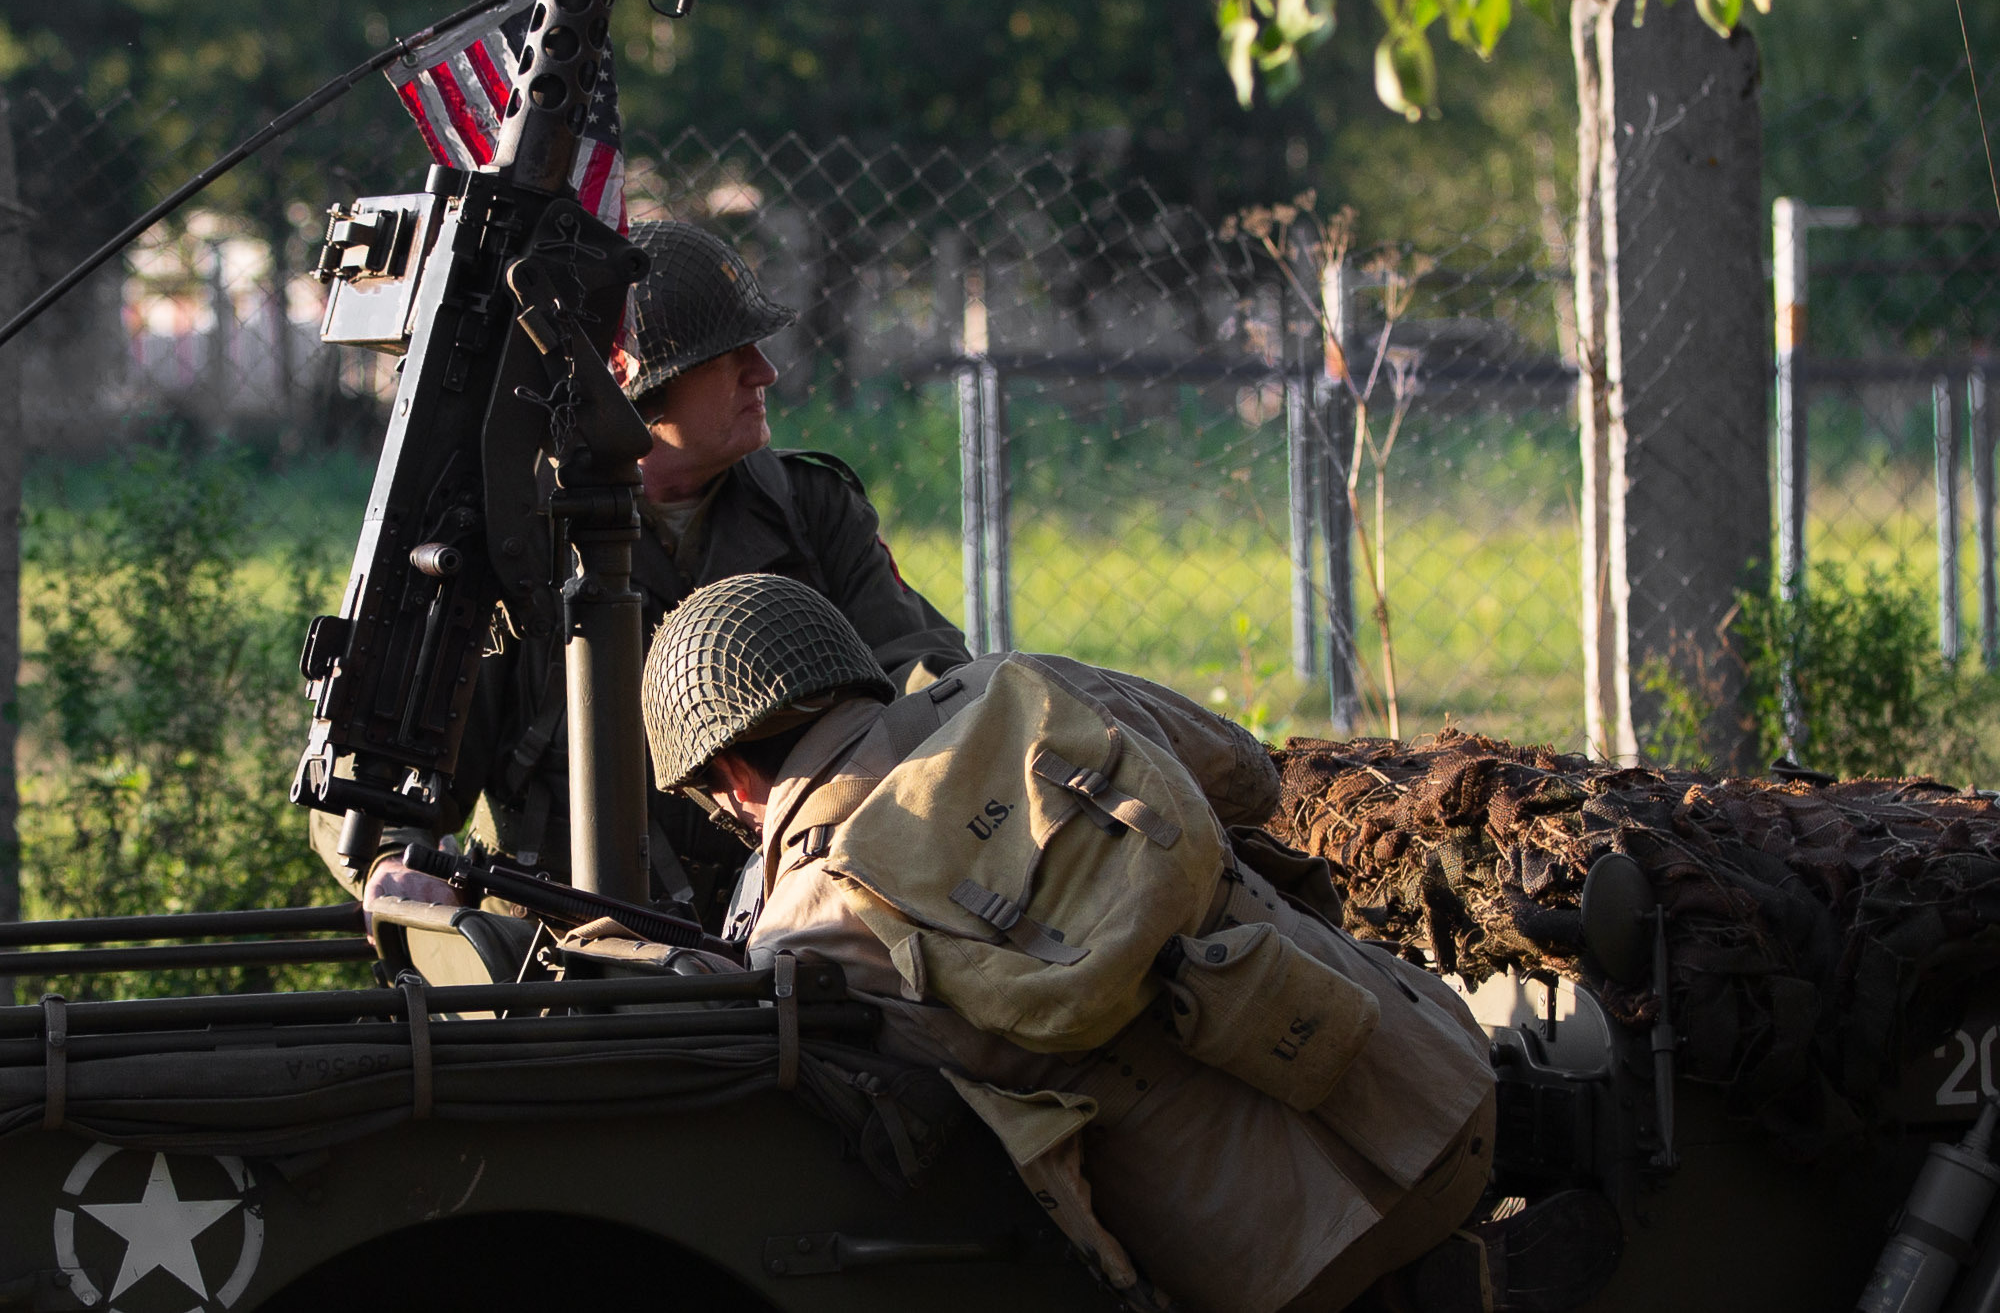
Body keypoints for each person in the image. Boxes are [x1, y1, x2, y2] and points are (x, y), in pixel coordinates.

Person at [638, 573, 1502, 1313]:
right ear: (847, 666)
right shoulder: (1029, 684)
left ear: (732, 783)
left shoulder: (800, 934)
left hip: (1280, 1273)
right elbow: (1251, 776)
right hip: (1449, 1100)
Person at [312, 221, 970, 929]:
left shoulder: (811, 511)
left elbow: (923, 675)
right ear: (627, 377)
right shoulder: (512, 544)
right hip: (569, 961)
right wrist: (395, 861)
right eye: (728, 354)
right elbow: (379, 776)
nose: (765, 373)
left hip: (798, 933)